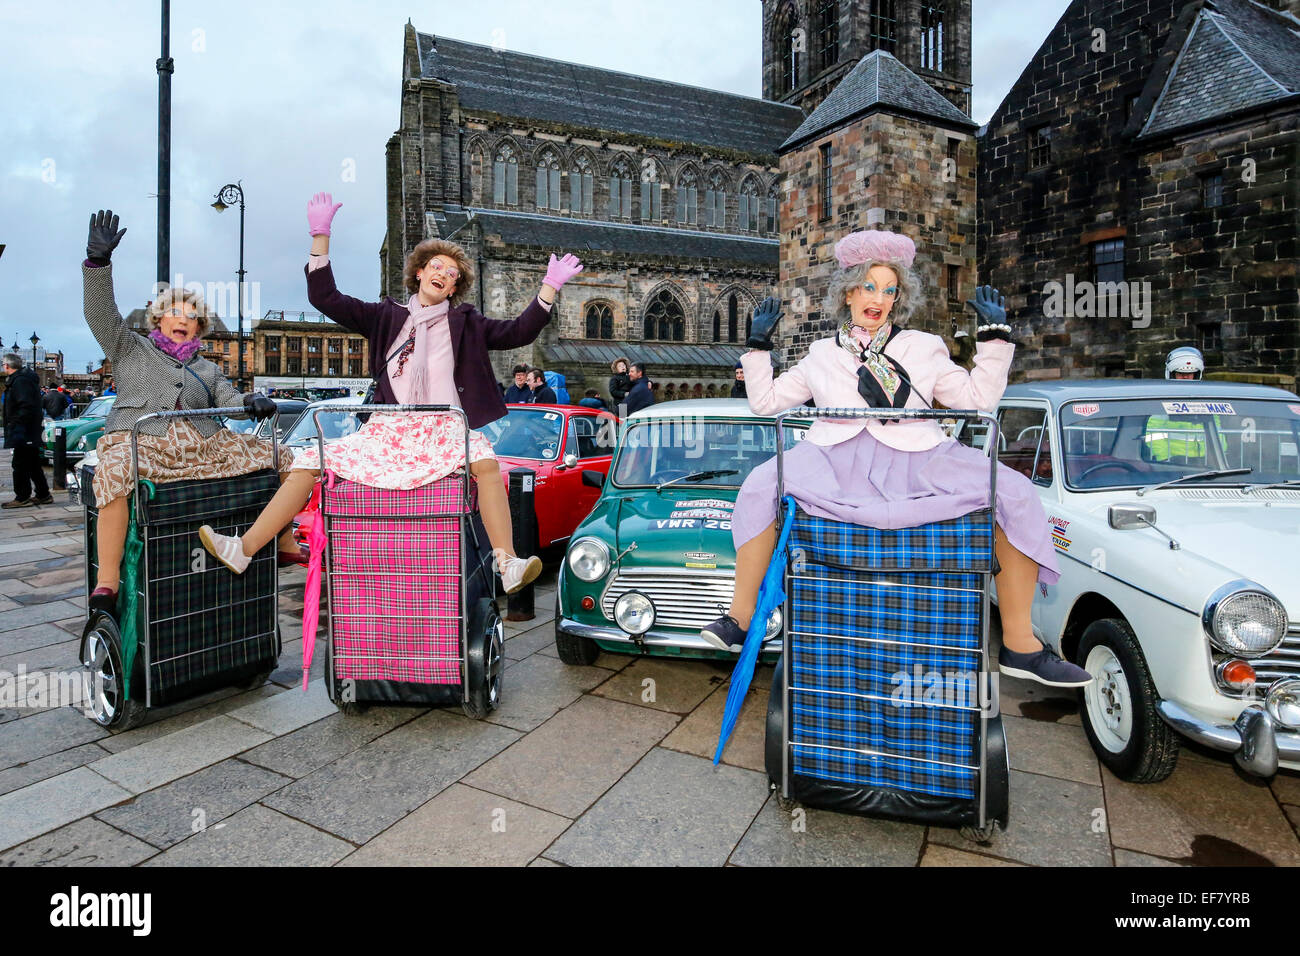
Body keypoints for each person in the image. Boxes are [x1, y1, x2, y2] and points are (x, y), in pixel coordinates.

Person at [699, 229, 1091, 688]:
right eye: (869, 286)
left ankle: (1021, 645)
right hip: (833, 456)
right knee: (760, 485)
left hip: (917, 455)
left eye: (889, 290)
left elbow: (977, 398)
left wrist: (995, 340)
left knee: (1017, 492)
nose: (878, 299)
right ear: (847, 293)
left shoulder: (923, 347)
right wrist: (759, 347)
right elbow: (765, 403)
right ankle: (739, 618)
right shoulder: (821, 354)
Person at [198, 192, 584, 594]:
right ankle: (245, 548)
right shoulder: (385, 315)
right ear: (419, 272)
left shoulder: (467, 323)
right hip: (390, 428)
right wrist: (320, 235)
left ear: (454, 288)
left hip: (442, 428)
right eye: (436, 265)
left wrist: (548, 289)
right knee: (307, 461)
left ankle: (506, 564)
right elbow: (325, 298)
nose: (444, 273)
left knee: (485, 463)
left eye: (452, 273)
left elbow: (518, 332)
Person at [80, 209, 294, 614]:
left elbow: (228, 399)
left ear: (199, 329)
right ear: (159, 318)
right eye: (177, 312)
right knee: (113, 471)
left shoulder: (207, 368)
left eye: (193, 317)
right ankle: (107, 581)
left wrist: (249, 402)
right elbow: (99, 313)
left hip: (204, 444)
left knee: (283, 456)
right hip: (144, 439)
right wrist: (98, 264)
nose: (186, 319)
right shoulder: (129, 346)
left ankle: (283, 542)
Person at [2, 353, 53, 508]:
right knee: (32, 463)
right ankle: (43, 494)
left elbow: (26, 405)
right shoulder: (24, 379)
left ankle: (22, 496)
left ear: (7, 366)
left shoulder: (20, 381)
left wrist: (15, 422)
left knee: (19, 464)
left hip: (23, 430)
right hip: (28, 429)